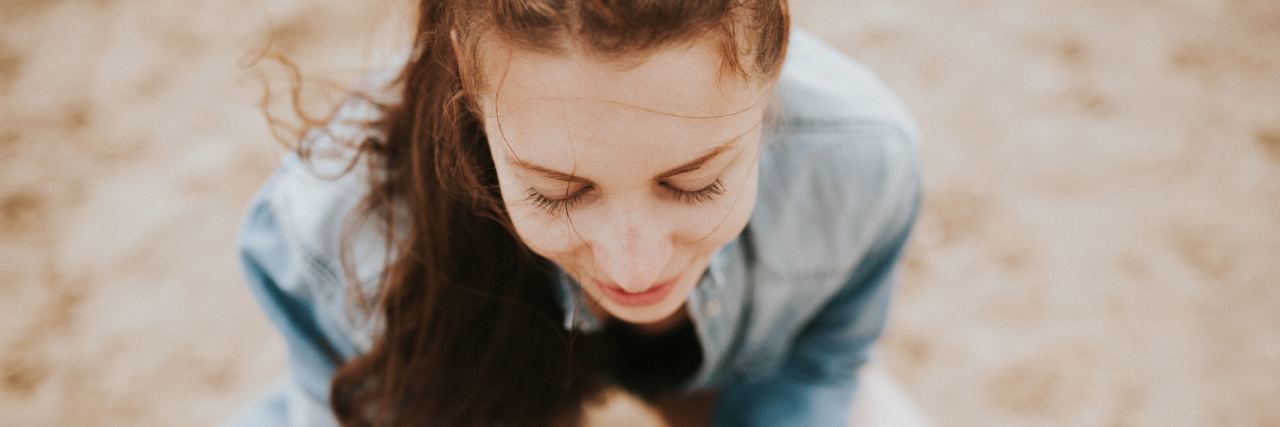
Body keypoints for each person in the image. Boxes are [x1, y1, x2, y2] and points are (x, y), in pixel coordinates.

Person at [228, 1, 924, 426]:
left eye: (694, 183)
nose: (635, 267)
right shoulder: (335, 236)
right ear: (469, 105)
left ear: (771, 86)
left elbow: (820, 361)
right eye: (559, 192)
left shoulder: (859, 163)